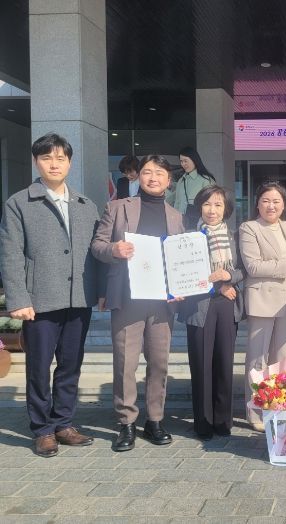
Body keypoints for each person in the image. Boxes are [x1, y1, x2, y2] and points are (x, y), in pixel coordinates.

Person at [0, 133, 101, 457]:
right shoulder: (19, 203)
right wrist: (18, 299)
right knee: (39, 367)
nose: (54, 164)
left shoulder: (86, 205)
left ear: (70, 163)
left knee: (71, 365)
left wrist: (100, 291)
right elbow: (11, 254)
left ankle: (63, 423)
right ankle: (42, 429)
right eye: (46, 158)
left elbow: (95, 253)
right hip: (39, 300)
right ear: (36, 162)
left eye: (60, 158)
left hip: (78, 297)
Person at [91, 154, 185, 452]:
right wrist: (114, 249)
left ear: (169, 181)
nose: (153, 177)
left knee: (159, 363)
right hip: (128, 297)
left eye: (160, 173)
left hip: (162, 302)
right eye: (147, 172)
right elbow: (97, 245)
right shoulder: (118, 207)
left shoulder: (176, 216)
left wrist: (180, 285)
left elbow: (179, 258)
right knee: (125, 363)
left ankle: (155, 420)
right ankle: (127, 422)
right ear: (138, 176)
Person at [178, 185, 244, 439]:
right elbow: (187, 272)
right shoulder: (188, 238)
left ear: (226, 209)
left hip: (228, 304)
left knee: (224, 362)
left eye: (218, 204)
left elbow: (243, 269)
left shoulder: (234, 236)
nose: (212, 210)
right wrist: (219, 287)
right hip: (199, 305)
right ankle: (203, 423)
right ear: (199, 207)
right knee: (201, 364)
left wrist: (229, 277)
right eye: (207, 204)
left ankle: (222, 420)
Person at [239, 182, 286, 431]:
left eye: (277, 201)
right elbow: (253, 266)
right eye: (266, 200)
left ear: (284, 205)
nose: (271, 206)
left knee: (280, 358)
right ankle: (255, 410)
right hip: (262, 300)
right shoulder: (249, 228)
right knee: (258, 359)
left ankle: (278, 404)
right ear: (257, 203)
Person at [169, 147, 215, 229]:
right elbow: (176, 202)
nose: (183, 164)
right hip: (179, 224)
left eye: (185, 161)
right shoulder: (181, 181)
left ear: (194, 160)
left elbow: (212, 204)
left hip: (198, 224)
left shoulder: (206, 180)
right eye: (181, 161)